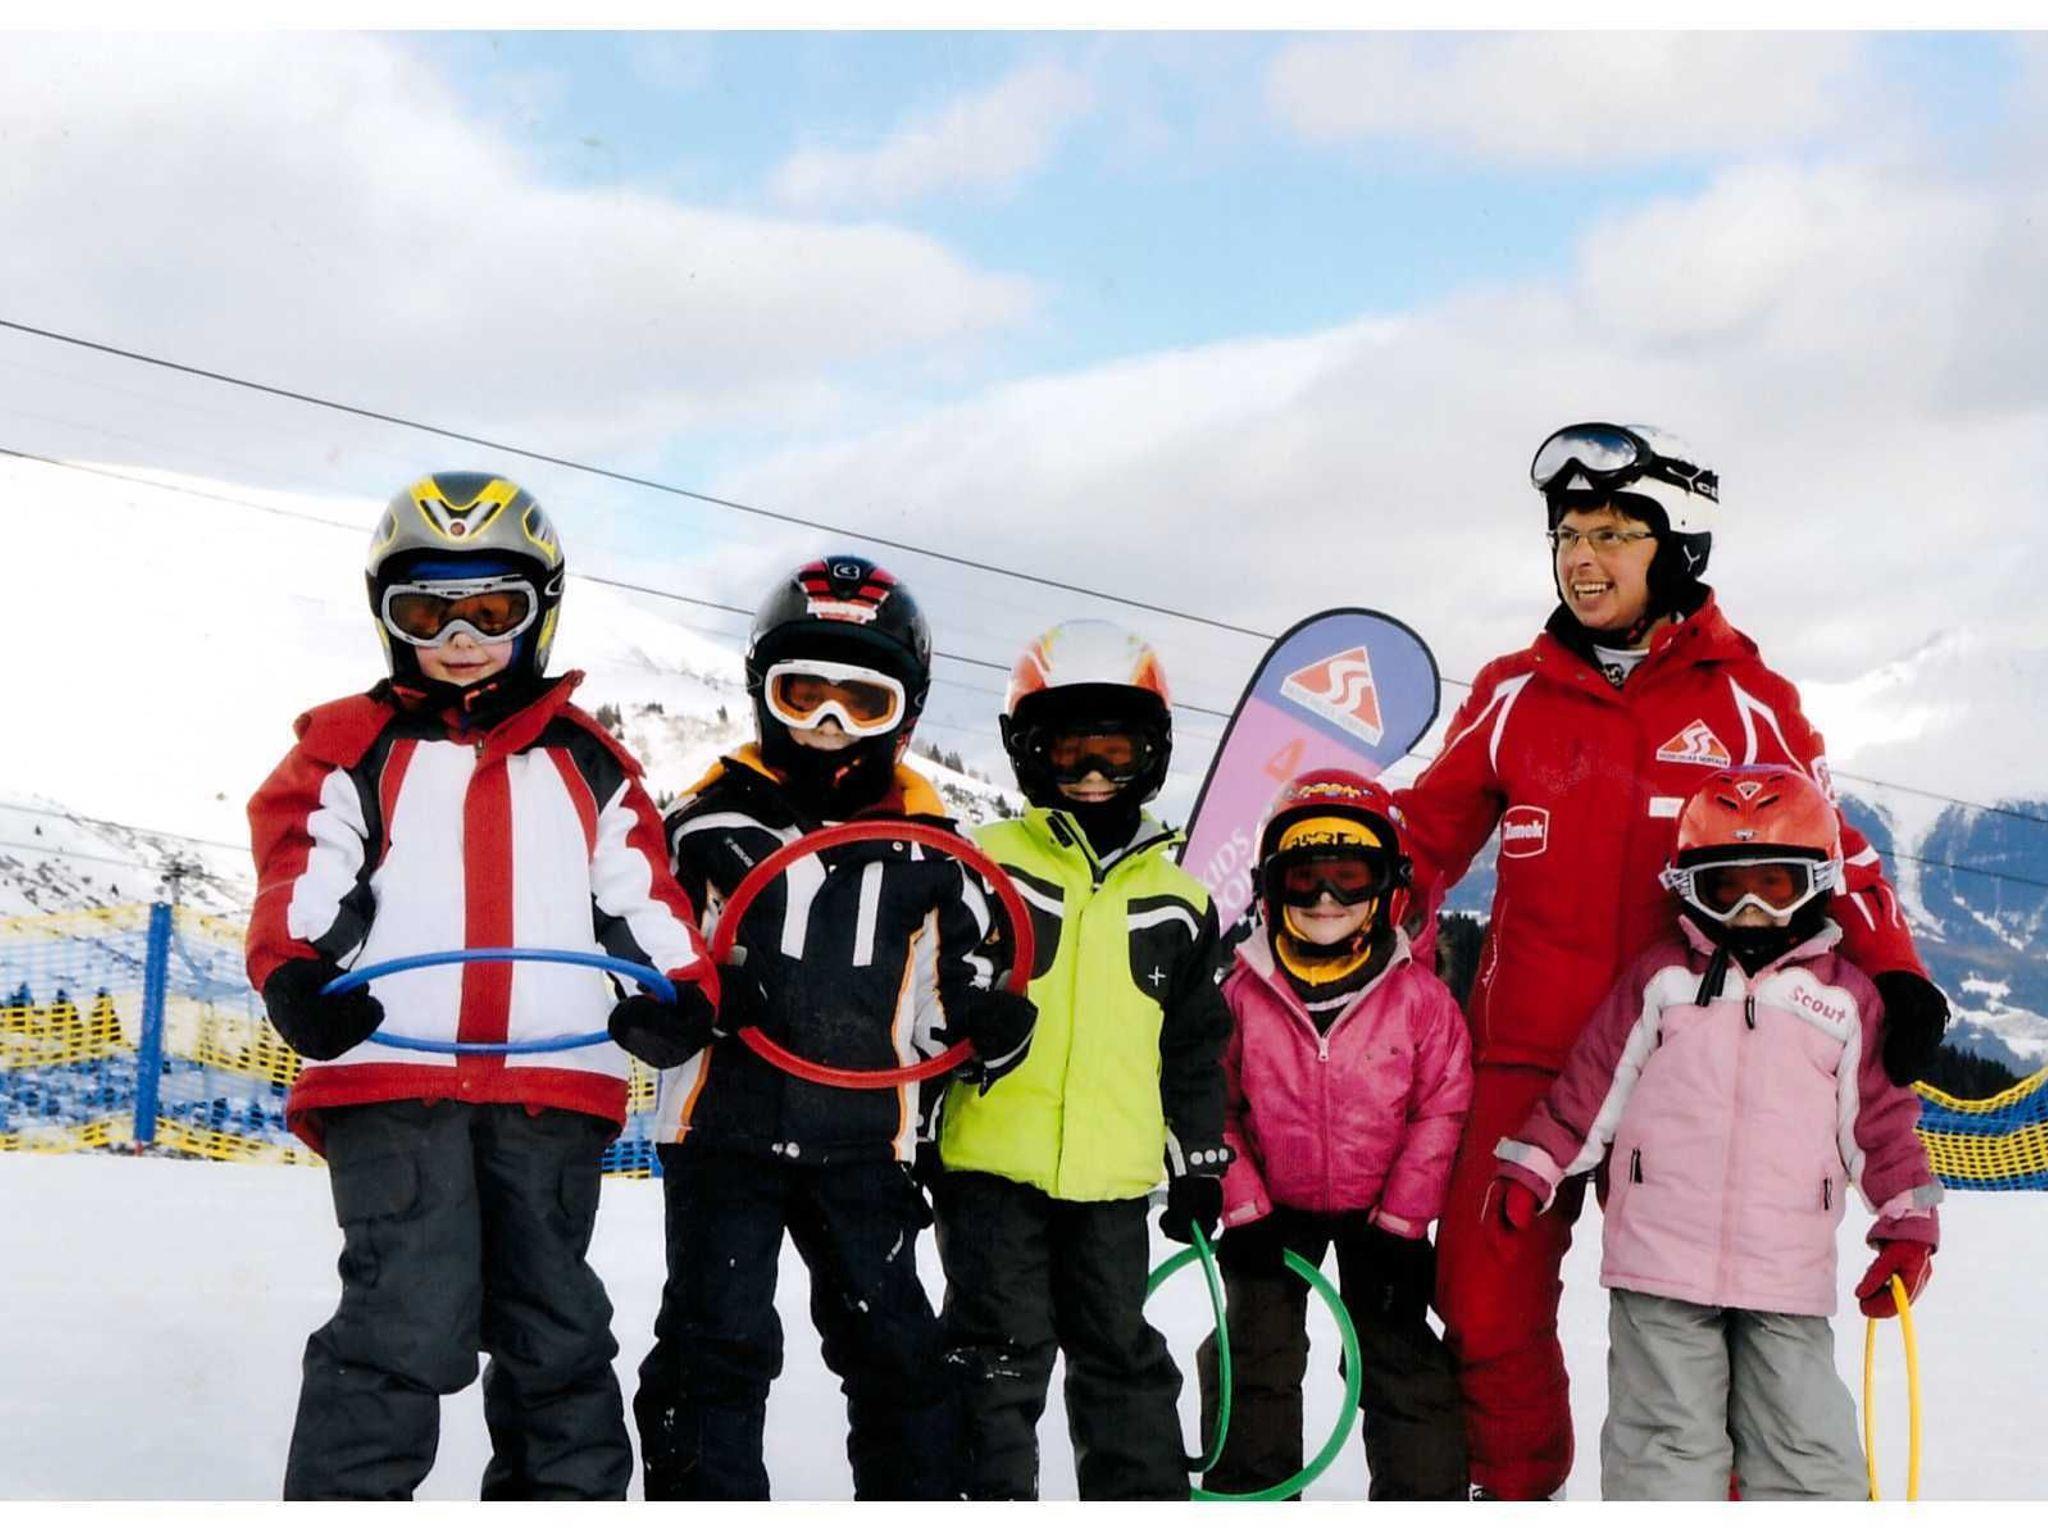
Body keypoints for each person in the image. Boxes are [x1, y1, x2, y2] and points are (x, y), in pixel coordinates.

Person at [1392, 423, 1949, 1499]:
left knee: (1713, 1319)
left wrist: (1895, 972)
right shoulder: (1512, 694)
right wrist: (1326, 896)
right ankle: (1516, 1496)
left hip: (1697, 1069)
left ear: (1678, 547)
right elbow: (1420, 838)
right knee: (1480, 1301)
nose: (1581, 558)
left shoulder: (1747, 698)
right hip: (1529, 1060)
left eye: (1611, 533)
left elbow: (1833, 852)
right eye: (1567, 534)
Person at [246, 472, 719, 1500]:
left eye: (493, 611)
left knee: (556, 1327)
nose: (460, 638)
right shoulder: (352, 745)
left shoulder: (590, 761)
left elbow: (637, 893)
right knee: (401, 1319)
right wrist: (300, 971)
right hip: (394, 1076)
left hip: (549, 1083)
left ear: (539, 612)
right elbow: (306, 865)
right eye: (427, 613)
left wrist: (678, 989)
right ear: (387, 617)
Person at [632, 554, 1036, 1501]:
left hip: (864, 1144)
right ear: (762, 692)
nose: (828, 724)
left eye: (862, 702)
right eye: (803, 693)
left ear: (906, 714)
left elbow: (949, 1006)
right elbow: (649, 953)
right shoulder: (702, 829)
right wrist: (673, 1009)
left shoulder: (934, 858)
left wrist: (987, 1028)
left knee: (896, 1353)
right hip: (724, 1132)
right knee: (713, 1343)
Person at [1491, 766, 1940, 1499]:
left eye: (1776, 885)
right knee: (1663, 1442)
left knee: (1802, 1439)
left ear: (1817, 884)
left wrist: (1908, 1223)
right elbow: (1592, 1085)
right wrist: (1537, 1165)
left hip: (1785, 1266)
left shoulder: (1843, 1001)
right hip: (1659, 1258)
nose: (1752, 909)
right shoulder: (1662, 980)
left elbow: (1881, 1126)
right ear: (1689, 889)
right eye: (1725, 888)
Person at [933, 618, 1234, 1501]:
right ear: (1029, 752)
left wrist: (1198, 1162)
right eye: (1071, 752)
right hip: (993, 1165)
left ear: (1154, 755)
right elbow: (928, 1001)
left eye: (1118, 751)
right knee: (998, 1354)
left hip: (1112, 1181)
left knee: (1119, 1354)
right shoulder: (984, 864)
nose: (1096, 773)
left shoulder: (1178, 899)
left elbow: (1192, 1046)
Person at [1200, 769, 1471, 1499]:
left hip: (1379, 1217)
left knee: (1399, 1357)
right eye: (1304, 878)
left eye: (1350, 877)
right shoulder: (1242, 995)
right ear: (1271, 887)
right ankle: (1250, 1494)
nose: (1326, 899)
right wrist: (1243, 1206)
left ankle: (1423, 1503)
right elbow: (1214, 1106)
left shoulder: (1420, 1001)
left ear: (1388, 887)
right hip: (1273, 1212)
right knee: (1251, 1351)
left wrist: (1403, 1224)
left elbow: (1441, 1110)